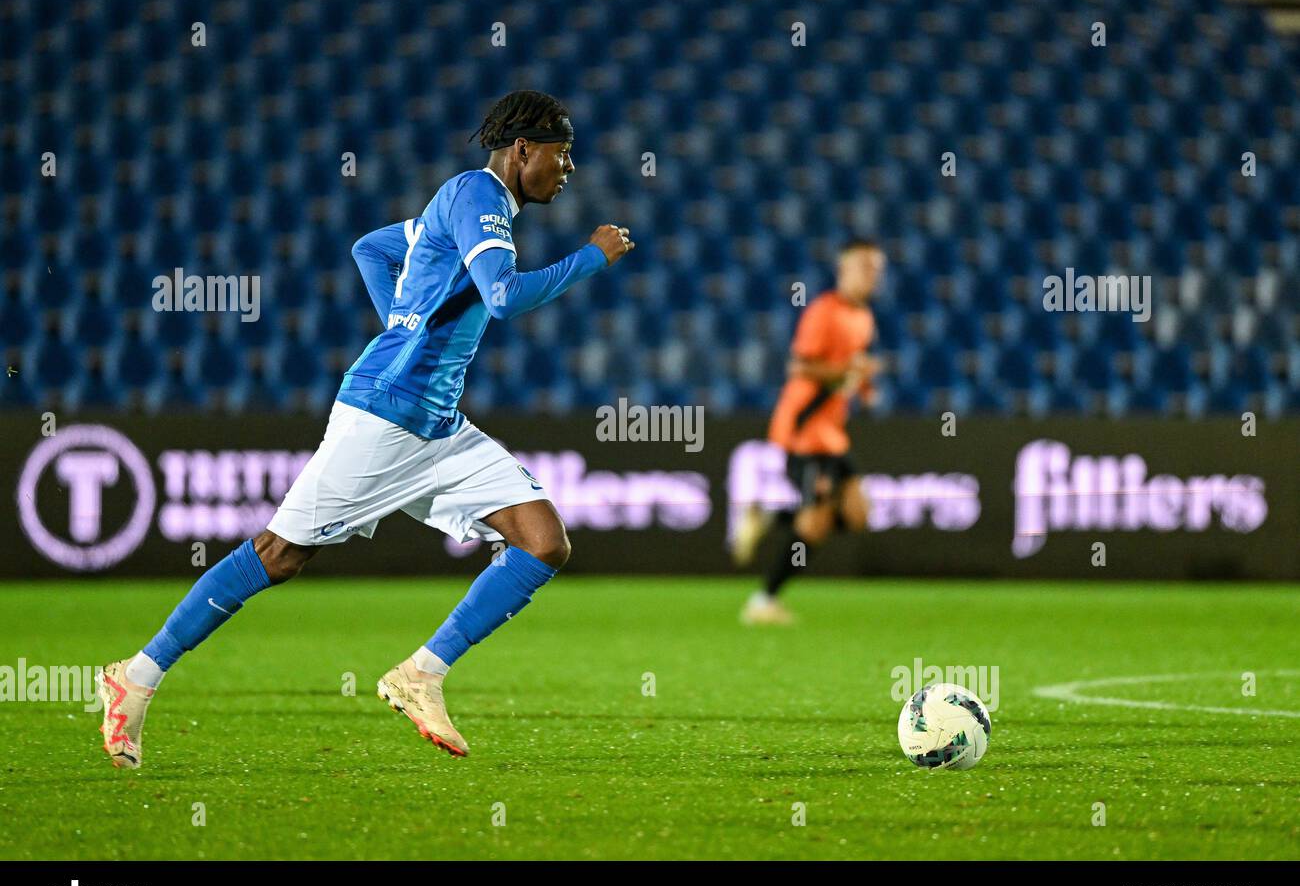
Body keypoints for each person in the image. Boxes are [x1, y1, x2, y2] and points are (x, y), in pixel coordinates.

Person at [97, 90, 634, 765]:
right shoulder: (477, 196)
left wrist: (402, 322)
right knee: (279, 555)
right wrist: (591, 257)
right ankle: (135, 677)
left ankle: (421, 674)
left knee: (542, 540)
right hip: (383, 416)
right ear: (524, 148)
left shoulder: (469, 207)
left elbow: (372, 249)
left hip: (436, 425)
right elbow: (502, 297)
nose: (570, 167)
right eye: (564, 152)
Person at [735, 240, 884, 625]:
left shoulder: (864, 317)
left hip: (833, 434)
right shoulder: (823, 311)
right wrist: (849, 374)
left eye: (876, 268)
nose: (872, 275)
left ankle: (770, 516)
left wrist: (863, 385)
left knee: (858, 515)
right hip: (804, 431)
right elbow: (800, 367)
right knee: (814, 522)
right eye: (864, 266)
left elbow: (849, 367)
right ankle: (763, 602)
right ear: (844, 269)